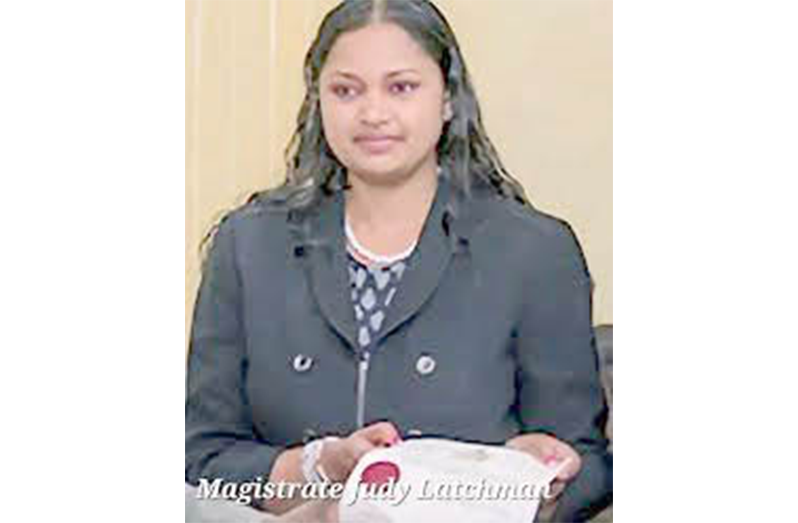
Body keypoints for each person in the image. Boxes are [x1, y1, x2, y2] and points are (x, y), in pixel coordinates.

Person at [185, 0, 612, 521]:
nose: (373, 113)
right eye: (346, 90)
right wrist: (317, 469)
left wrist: (533, 483)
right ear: (318, 101)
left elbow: (589, 466)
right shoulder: (248, 246)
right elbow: (201, 461)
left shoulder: (535, 252)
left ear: (448, 98)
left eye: (401, 87)